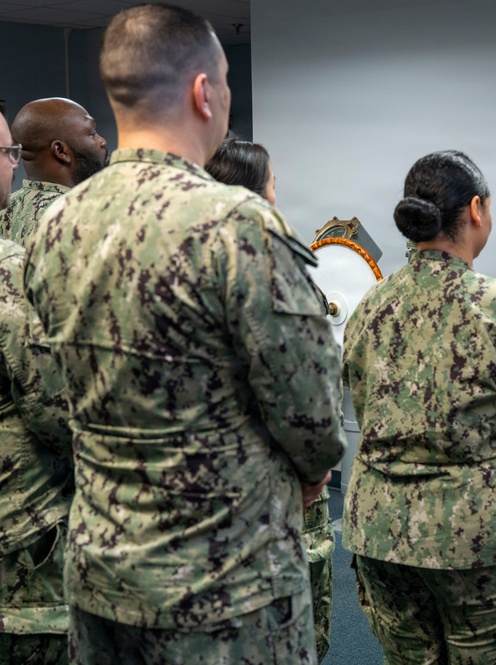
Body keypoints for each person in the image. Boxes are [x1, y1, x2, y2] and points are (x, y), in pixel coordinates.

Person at [22, 4, 346, 663]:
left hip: (99, 568)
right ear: (204, 92)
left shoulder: (54, 225)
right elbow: (310, 415)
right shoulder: (238, 224)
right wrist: (311, 474)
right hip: (225, 583)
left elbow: (54, 389)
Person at [342, 150, 496, 664]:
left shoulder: (369, 308)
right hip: (485, 546)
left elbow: (368, 416)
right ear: (476, 209)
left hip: (382, 536)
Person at [205, 137, 335, 662]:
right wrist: (314, 472)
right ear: (259, 191)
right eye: (274, 184)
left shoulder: (178, 257)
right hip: (277, 489)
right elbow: (308, 389)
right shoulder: (273, 259)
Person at [0, 113, 75, 665]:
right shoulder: (9, 272)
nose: (14, 167)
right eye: (8, 154)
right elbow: (58, 412)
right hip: (20, 536)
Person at [0, 97, 109, 244]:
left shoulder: (4, 210)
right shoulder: (85, 218)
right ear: (61, 151)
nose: (102, 141)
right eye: (92, 133)